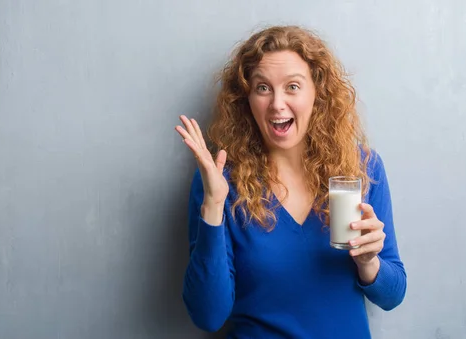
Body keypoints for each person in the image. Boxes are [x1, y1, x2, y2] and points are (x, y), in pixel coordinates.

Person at [174, 25, 406, 339]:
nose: (277, 104)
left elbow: (392, 296)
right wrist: (213, 207)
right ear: (248, 99)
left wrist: (369, 263)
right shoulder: (219, 181)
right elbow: (208, 316)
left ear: (317, 93)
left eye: (293, 87)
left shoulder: (361, 168)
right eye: (263, 88)